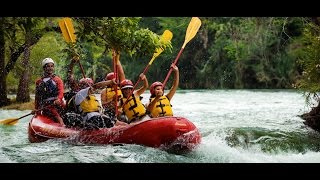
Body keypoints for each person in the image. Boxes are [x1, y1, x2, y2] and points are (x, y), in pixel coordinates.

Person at [34, 58, 65, 126]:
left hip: (57, 104)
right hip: (46, 106)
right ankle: (60, 122)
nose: (50, 68)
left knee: (55, 110)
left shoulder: (57, 80)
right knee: (50, 110)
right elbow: (37, 97)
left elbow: (61, 91)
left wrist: (59, 99)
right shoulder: (39, 82)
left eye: (52, 66)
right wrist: (36, 109)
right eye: (48, 66)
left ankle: (63, 125)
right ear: (44, 68)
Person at [100, 52, 126, 121]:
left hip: (121, 111)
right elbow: (103, 105)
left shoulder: (121, 87)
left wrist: (116, 59)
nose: (116, 82)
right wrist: (112, 101)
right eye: (114, 81)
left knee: (124, 117)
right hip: (110, 112)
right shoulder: (104, 91)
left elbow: (122, 73)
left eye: (116, 80)